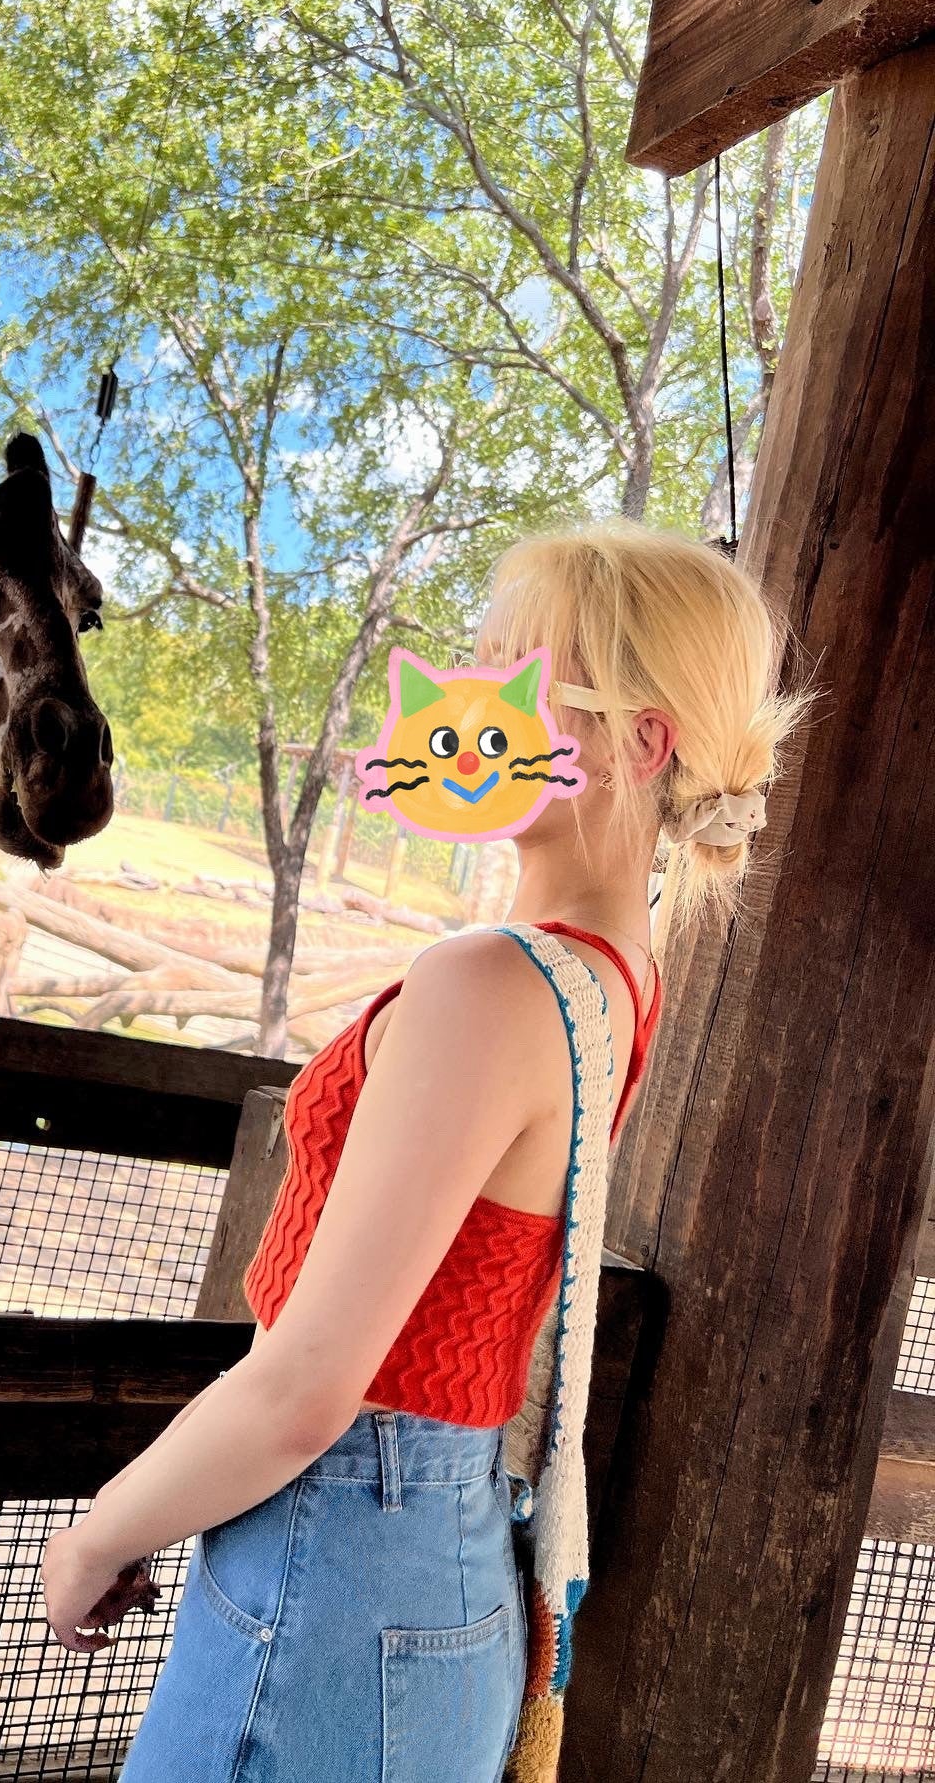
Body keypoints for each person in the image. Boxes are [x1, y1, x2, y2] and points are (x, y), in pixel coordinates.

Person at [40, 519, 814, 1781]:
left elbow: (305, 1392)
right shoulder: (615, 979)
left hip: (336, 1565)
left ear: (639, 741)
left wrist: (92, 1539)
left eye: (515, 678)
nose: (469, 708)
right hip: (442, 1573)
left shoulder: (490, 984)